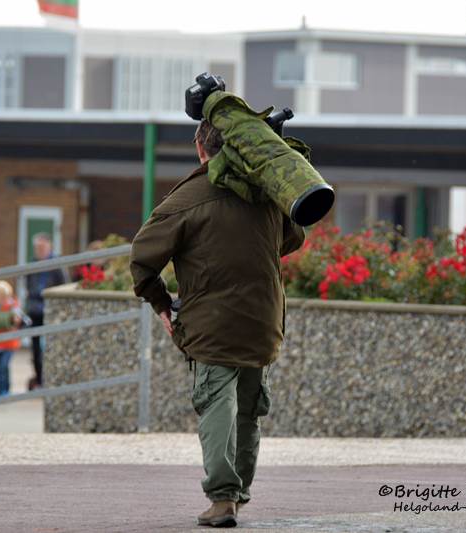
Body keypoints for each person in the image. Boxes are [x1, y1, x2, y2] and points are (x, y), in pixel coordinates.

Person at [129, 119, 305, 528]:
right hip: (263, 319)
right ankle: (238, 494)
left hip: (211, 322)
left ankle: (222, 498)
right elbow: (292, 238)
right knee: (249, 408)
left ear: (199, 146)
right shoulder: (265, 190)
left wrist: (161, 305)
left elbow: (141, 260)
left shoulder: (187, 198)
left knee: (216, 402)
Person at [24, 233, 66, 390]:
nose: (40, 250)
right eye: (37, 248)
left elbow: (63, 285)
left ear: (49, 247)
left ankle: (51, 377)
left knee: (51, 346)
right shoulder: (32, 265)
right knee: (35, 349)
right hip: (35, 310)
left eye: (42, 247)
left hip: (50, 310)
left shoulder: (57, 265)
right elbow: (28, 286)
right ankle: (40, 379)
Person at [0, 280, 22, 397]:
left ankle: (5, 389)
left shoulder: (12, 306)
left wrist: (14, 319)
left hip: (9, 344)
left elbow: (18, 320)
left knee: (4, 367)